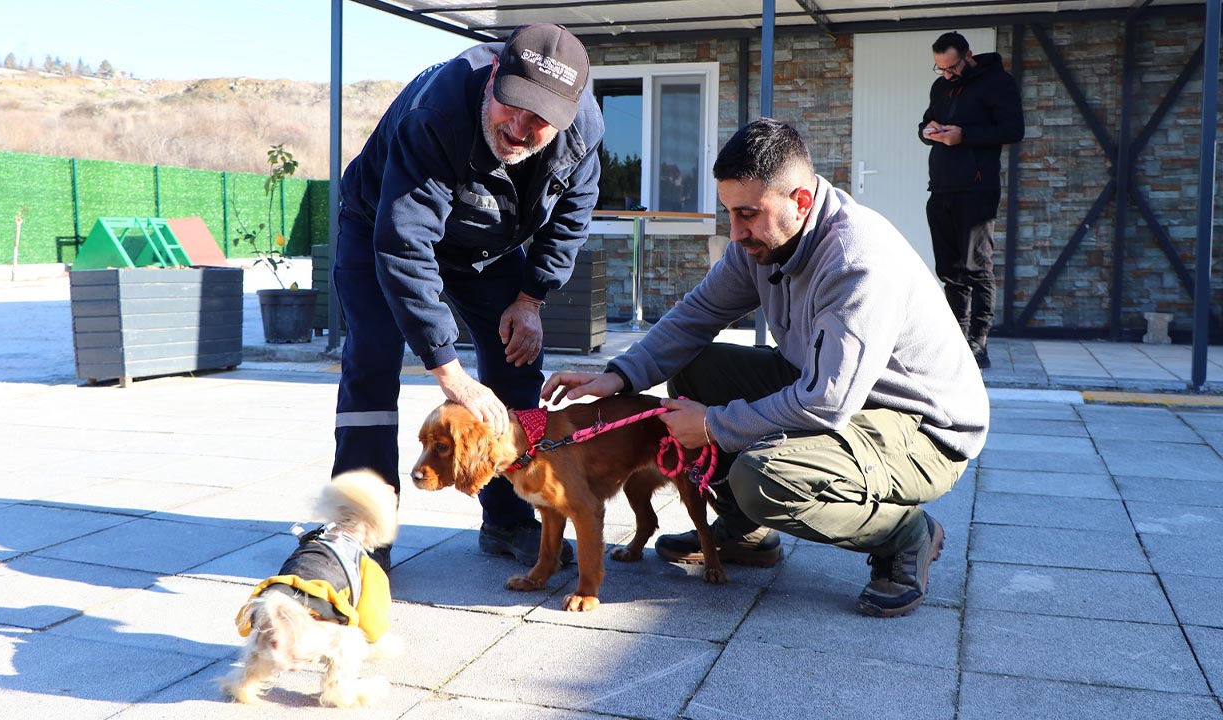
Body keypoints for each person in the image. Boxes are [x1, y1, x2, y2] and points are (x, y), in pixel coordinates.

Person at [542, 119, 988, 617]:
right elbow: (697, 316)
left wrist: (712, 425)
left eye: (748, 215)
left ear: (800, 201)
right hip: (836, 393)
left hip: (919, 429)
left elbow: (825, 402)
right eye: (730, 213)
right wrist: (619, 375)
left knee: (764, 479)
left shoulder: (856, 262)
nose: (735, 232)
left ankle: (905, 536)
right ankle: (745, 532)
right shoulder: (763, 243)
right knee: (695, 370)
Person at [334, 24, 603, 569]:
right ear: (493, 82)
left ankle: (510, 519)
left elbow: (572, 217)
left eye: (540, 121)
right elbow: (405, 245)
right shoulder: (438, 114)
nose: (521, 129)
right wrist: (449, 372)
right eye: (512, 107)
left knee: (516, 360)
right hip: (379, 227)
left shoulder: (583, 132)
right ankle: (364, 536)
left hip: (488, 245)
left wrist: (530, 298)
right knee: (372, 364)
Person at [920, 31, 1024, 369]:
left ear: (969, 55)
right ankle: (956, 340)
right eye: (941, 69)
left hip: (977, 190)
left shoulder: (998, 83)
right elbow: (925, 121)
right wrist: (926, 130)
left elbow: (1013, 130)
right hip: (941, 188)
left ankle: (978, 344)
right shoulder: (941, 87)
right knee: (949, 271)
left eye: (951, 68)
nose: (946, 74)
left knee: (976, 267)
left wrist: (965, 136)